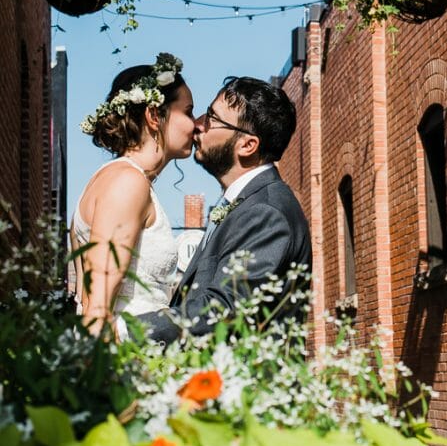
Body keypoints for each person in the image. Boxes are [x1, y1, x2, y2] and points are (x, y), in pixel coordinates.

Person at [138, 76, 311, 344]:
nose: (198, 125)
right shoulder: (244, 203)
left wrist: (130, 330)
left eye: (212, 118)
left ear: (247, 145)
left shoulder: (266, 213)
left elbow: (224, 308)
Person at [71, 53, 195, 334]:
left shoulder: (118, 179)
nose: (196, 124)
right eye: (188, 112)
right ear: (154, 115)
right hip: (121, 355)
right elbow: (96, 310)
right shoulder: (127, 182)